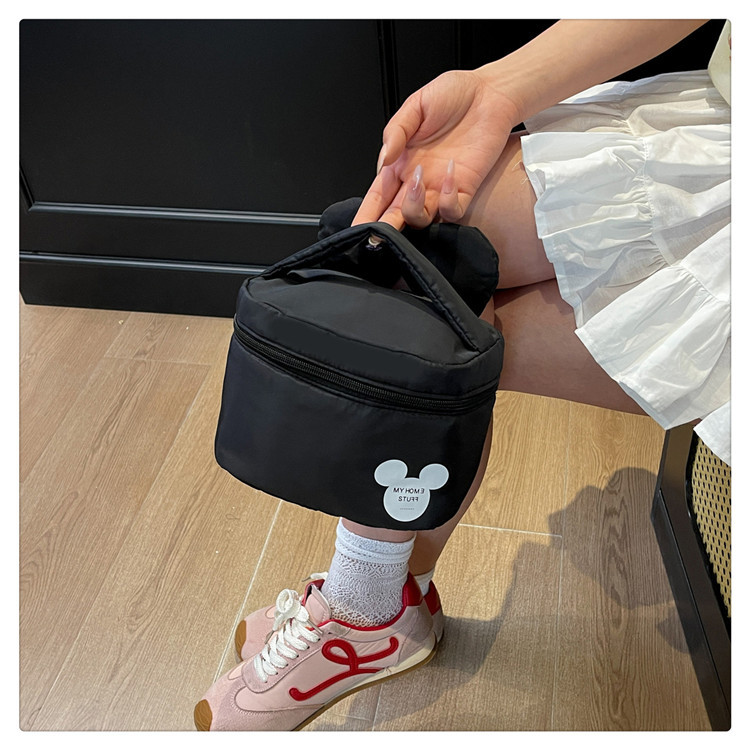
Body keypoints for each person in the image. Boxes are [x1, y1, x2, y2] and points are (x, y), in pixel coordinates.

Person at [194, 19, 730, 730]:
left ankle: (366, 610)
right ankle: (383, 598)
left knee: (437, 355)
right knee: (416, 264)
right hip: (721, 125)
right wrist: (496, 89)